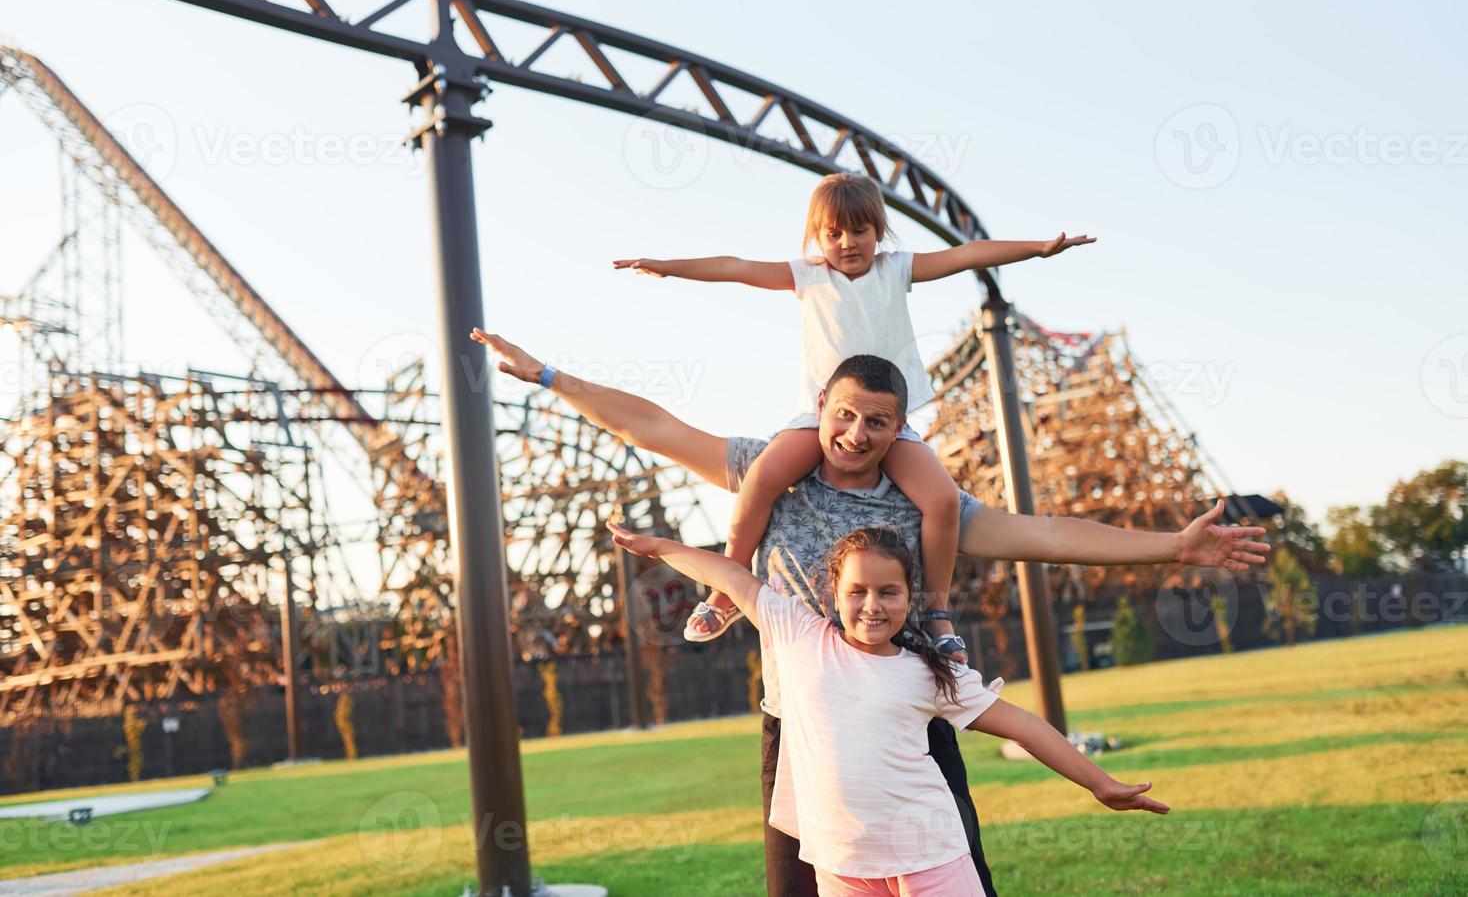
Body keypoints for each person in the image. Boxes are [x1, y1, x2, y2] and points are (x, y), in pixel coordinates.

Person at [469, 330, 1270, 895]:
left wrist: (1172, 546)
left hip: (909, 719)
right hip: (802, 728)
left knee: (953, 879)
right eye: (843, 415)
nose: (855, 435)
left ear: (899, 427)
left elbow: (1049, 532)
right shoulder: (770, 470)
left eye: (877, 422)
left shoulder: (928, 502)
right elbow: (653, 427)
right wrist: (548, 376)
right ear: (820, 406)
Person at [613, 171, 1096, 657]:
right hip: (825, 421)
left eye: (859, 231)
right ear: (816, 237)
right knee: (760, 478)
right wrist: (669, 266)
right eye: (833, 233)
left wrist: (1037, 248)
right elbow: (735, 266)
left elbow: (966, 255)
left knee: (944, 502)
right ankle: (726, 588)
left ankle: (938, 612)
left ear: (879, 231)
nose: (847, 243)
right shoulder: (808, 275)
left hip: (889, 423)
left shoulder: (896, 269)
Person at [607, 520, 1169, 896]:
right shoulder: (798, 633)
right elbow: (728, 575)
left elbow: (1019, 722)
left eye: (889, 593)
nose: (872, 606)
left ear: (910, 596)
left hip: (931, 852)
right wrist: (657, 548)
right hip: (842, 860)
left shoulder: (928, 671)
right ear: (834, 592)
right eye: (858, 592)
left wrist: (1098, 782)